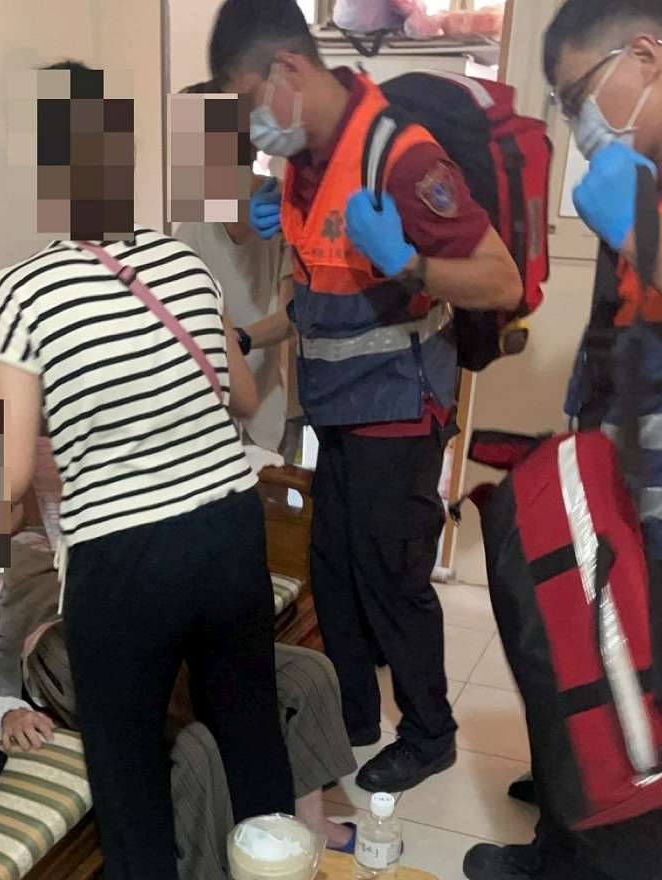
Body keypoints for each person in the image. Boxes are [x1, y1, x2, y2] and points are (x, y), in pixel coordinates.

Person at [0, 59, 294, 880]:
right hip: (228, 529)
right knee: (252, 734)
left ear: (43, 165)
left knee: (130, 773)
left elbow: (4, 476)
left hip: (124, 561)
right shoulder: (181, 264)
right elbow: (244, 399)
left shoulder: (19, 293)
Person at [208, 0, 523, 794]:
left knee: (390, 575)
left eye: (247, 99)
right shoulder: (302, 161)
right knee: (335, 570)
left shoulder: (399, 156)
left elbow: (500, 281)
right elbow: (316, 298)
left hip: (399, 407)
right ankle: (350, 714)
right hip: (338, 408)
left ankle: (429, 733)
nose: (250, 123)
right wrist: (251, 327)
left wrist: (410, 263)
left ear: (287, 69)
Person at [464, 3, 662, 880]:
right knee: (574, 672)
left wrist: (638, 226)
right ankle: (562, 852)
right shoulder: (656, 175)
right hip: (633, 501)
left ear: (642, 55)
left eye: (576, 96)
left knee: (635, 728)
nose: (576, 122)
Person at [0, 475, 357, 880]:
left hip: (143, 639)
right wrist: (7, 712)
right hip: (62, 667)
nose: (5, 496)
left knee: (305, 673)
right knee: (191, 743)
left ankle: (308, 828)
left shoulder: (58, 517)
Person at [175, 80, 299, 461]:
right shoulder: (192, 230)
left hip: (273, 409)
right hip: (210, 420)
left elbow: (292, 316)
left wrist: (238, 340)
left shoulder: (286, 208)